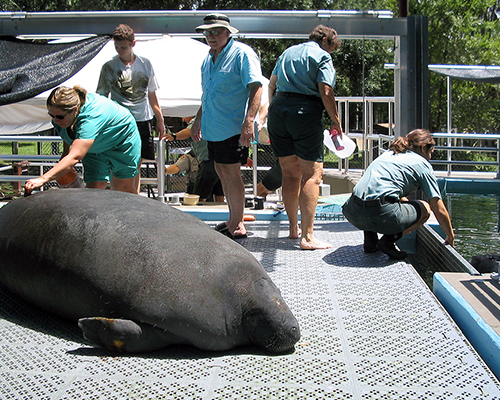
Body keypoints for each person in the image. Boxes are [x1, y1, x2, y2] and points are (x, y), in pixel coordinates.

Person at [267, 25, 342, 250]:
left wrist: (275, 110)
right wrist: (335, 120)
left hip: (278, 109)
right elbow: (326, 90)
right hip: (304, 111)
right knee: (313, 175)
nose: (332, 53)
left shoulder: (288, 52)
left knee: (290, 173)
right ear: (326, 40)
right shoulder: (322, 56)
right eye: (333, 48)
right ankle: (308, 237)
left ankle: (293, 230)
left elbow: (271, 84)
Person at [191, 13, 263, 238]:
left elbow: (256, 88)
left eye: (215, 31)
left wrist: (249, 122)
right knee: (222, 170)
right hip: (214, 127)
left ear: (228, 32)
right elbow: (207, 94)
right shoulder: (208, 58)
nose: (210, 36)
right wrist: (198, 120)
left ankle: (238, 223)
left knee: (232, 174)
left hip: (233, 127)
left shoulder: (242, 54)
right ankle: (232, 218)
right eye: (207, 32)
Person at [342, 129, 455, 259]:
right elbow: (438, 208)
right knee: (425, 208)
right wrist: (450, 235)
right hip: (379, 213)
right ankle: (388, 242)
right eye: (431, 153)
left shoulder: (391, 153)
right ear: (424, 148)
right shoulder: (422, 164)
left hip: (352, 211)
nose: (430, 157)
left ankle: (370, 243)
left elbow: (379, 188)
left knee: (374, 198)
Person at [24, 85, 141, 194]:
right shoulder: (62, 119)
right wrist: (65, 155)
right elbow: (69, 141)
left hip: (121, 141)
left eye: (59, 116)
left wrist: (42, 179)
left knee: (124, 191)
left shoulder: (90, 119)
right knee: (94, 188)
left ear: (75, 110)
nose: (55, 121)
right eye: (51, 116)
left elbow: (75, 156)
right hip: (94, 146)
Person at [97, 24, 166, 193]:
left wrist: (160, 120)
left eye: (123, 47)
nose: (120, 50)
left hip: (142, 119)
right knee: (120, 160)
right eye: (117, 47)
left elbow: (152, 96)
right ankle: (119, 195)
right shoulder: (109, 67)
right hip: (119, 121)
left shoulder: (145, 64)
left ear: (133, 44)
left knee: (137, 162)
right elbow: (101, 97)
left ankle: (134, 196)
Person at [165, 116, 224, 202]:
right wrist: (165, 170)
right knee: (219, 194)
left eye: (184, 116)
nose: (183, 119)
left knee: (198, 197)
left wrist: (174, 136)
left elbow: (189, 131)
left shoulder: (196, 120)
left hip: (208, 161)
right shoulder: (212, 120)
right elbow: (176, 167)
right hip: (221, 162)